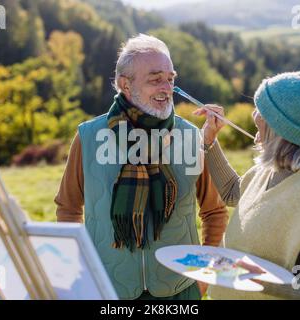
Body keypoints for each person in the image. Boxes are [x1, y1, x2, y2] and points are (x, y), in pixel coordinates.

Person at [54, 34, 228, 300]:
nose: (166, 88)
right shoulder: (88, 137)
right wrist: (81, 271)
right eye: (155, 79)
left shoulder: (193, 137)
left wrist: (203, 278)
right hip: (108, 292)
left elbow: (215, 211)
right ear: (126, 84)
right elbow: (68, 209)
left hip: (180, 292)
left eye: (170, 79)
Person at [195, 68, 300, 299]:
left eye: (261, 111)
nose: (254, 116)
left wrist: (258, 278)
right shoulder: (272, 169)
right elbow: (234, 193)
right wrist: (209, 142)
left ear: (280, 126)